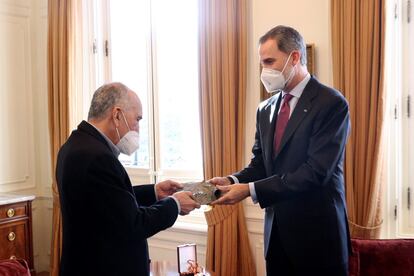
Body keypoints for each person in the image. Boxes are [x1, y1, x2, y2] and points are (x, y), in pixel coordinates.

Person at [210, 25, 351, 276]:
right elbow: (261, 164)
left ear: (294, 58)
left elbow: (315, 172)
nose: (265, 70)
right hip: (276, 240)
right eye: (262, 63)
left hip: (318, 242)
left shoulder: (331, 103)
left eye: (270, 61)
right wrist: (232, 181)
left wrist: (249, 191)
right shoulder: (265, 109)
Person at [56, 82, 200, 276]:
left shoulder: (76, 145)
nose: (138, 129)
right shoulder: (97, 156)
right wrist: (175, 204)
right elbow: (133, 225)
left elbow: (109, 201)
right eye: (137, 119)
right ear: (117, 115)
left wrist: (154, 192)